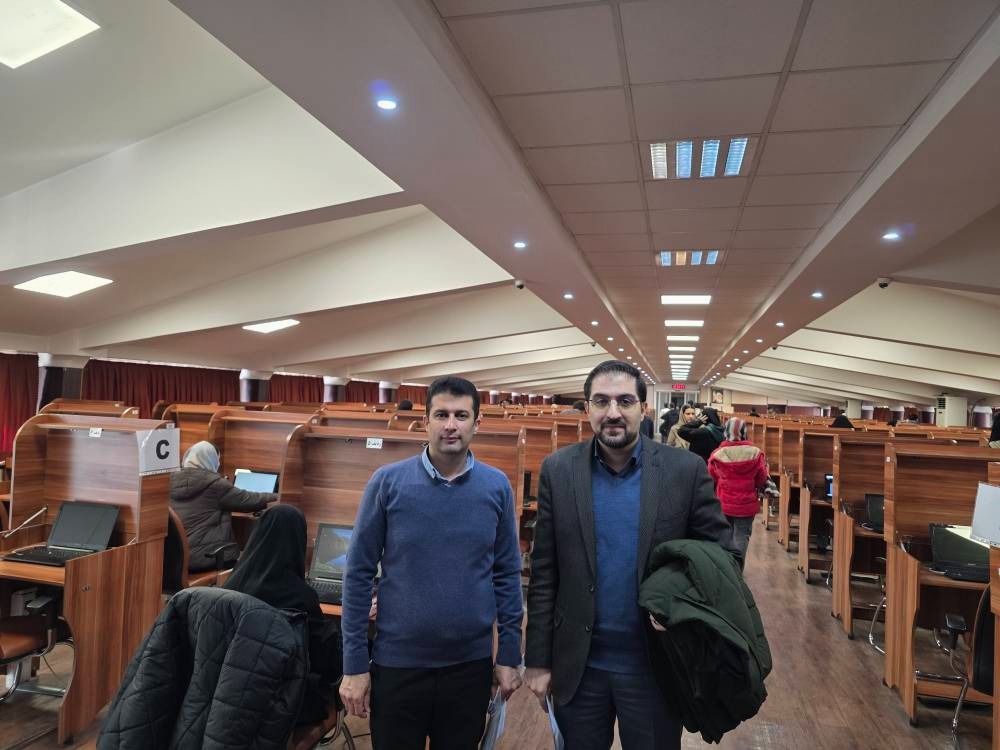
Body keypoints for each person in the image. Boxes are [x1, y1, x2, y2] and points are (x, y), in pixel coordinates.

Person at [524, 360, 737, 750]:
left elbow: (721, 560)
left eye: (624, 401)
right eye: (601, 401)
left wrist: (679, 607)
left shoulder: (684, 470)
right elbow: (544, 572)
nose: (613, 412)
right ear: (588, 408)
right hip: (579, 668)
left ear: (643, 407)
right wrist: (537, 659)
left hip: (655, 668)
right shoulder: (558, 470)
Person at [339, 376, 523, 749]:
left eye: (461, 415)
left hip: (468, 667)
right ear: (426, 421)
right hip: (398, 665)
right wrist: (354, 664)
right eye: (441, 414)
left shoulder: (496, 487)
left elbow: (507, 574)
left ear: (476, 422)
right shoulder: (387, 483)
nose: (450, 425)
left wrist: (508, 654)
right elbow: (357, 574)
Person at [223, 504, 343, 725]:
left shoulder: (230, 586)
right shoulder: (301, 597)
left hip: (226, 697)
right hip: (281, 706)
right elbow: (328, 663)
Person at [169, 441, 277, 572]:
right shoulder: (215, 484)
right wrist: (279, 495)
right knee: (251, 560)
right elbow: (250, 500)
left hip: (175, 559)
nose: (219, 464)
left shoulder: (170, 481)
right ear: (210, 460)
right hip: (206, 557)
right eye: (218, 459)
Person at [708, 418, 769, 559]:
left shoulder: (717, 454)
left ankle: (726, 567)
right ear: (744, 432)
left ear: (725, 432)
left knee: (725, 536)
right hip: (746, 505)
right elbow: (761, 478)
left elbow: (711, 476)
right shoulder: (755, 453)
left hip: (724, 503)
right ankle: (737, 567)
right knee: (741, 536)